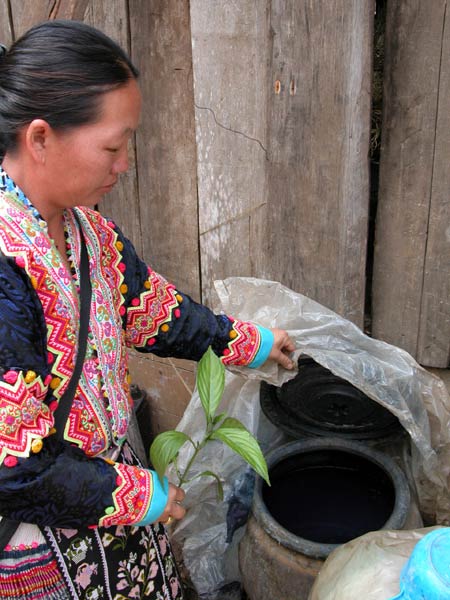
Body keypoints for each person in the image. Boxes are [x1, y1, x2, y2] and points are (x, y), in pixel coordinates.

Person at [0, 19, 295, 600]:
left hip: (111, 502)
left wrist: (250, 342)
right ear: (40, 138)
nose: (124, 163)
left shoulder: (89, 235)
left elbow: (155, 311)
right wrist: (140, 497)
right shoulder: (7, 270)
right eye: (112, 145)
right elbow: (15, 468)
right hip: (40, 545)